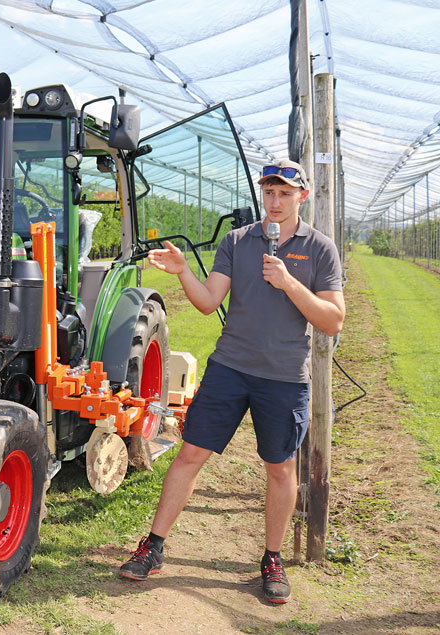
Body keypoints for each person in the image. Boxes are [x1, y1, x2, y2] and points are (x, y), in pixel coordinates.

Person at [119, 160, 345, 604]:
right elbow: (207, 303)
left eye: (285, 193)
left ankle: (272, 559)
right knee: (189, 454)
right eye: (269, 192)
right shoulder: (238, 241)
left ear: (303, 195)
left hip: (283, 377)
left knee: (280, 468)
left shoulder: (320, 249)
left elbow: (333, 320)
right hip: (230, 367)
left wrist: (289, 284)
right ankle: (154, 547)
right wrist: (184, 271)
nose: (275, 201)